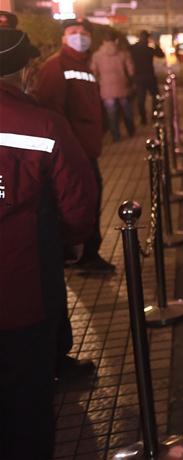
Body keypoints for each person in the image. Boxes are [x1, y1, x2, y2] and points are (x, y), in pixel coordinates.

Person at [0, 28, 98, 460]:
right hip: (23, 289)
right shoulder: (42, 123)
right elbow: (79, 203)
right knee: (27, 407)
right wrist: (73, 240)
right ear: (23, 70)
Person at [33, 19, 114, 274]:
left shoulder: (83, 65)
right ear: (63, 38)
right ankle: (84, 255)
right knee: (85, 199)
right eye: (73, 32)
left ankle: (85, 253)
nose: (80, 36)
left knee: (91, 197)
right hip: (74, 152)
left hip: (87, 148)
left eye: (84, 33)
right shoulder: (55, 67)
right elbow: (52, 112)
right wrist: (70, 148)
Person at [92, 30, 136, 142]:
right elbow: (131, 71)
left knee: (111, 114)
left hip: (106, 89)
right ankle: (131, 131)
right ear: (116, 40)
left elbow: (93, 72)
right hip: (122, 86)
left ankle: (116, 136)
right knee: (126, 110)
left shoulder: (96, 56)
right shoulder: (123, 54)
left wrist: (100, 81)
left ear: (102, 41)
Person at [129, 30, 165, 124]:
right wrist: (156, 44)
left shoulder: (133, 48)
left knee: (141, 99)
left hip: (138, 76)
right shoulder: (148, 49)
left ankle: (143, 118)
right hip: (149, 76)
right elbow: (161, 55)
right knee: (155, 96)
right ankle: (153, 115)